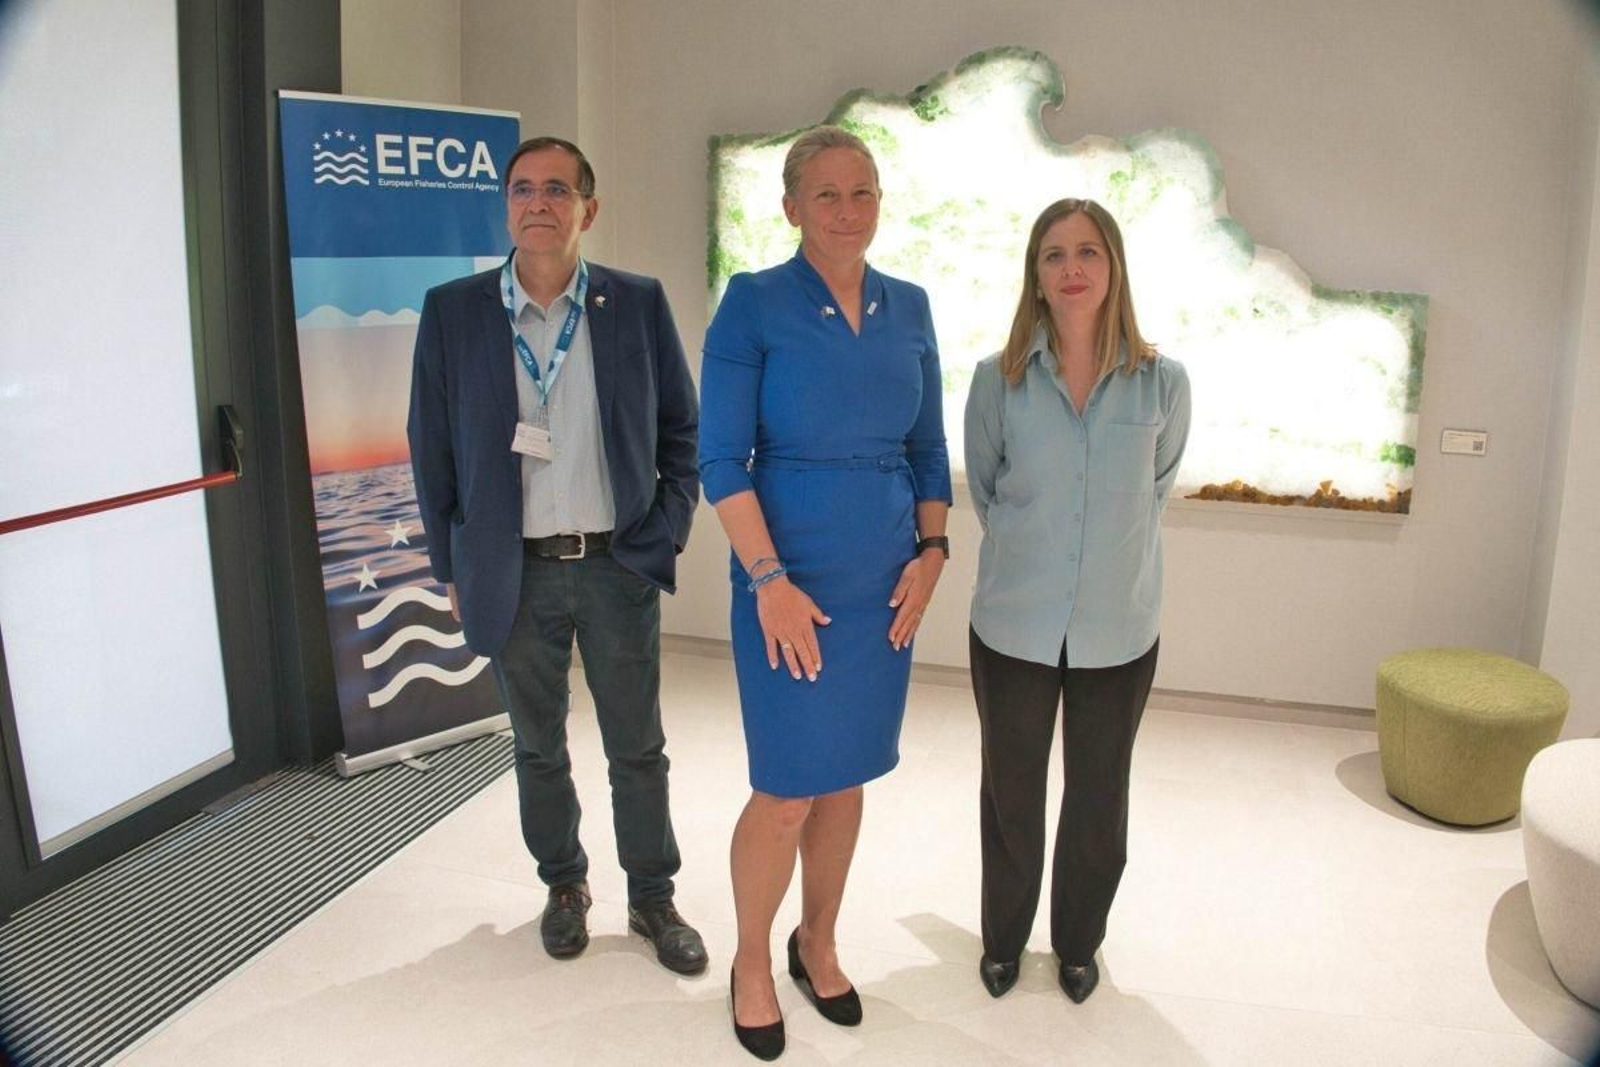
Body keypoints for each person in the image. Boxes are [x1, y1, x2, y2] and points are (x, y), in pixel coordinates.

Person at [407, 136, 706, 976]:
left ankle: (652, 894)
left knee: (636, 745)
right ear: (507, 203)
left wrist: (666, 529)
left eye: (556, 190)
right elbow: (429, 446)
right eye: (522, 189)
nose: (537, 203)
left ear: (588, 208)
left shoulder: (635, 303)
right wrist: (450, 565)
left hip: (617, 564)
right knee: (538, 746)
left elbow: (682, 431)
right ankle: (565, 886)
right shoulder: (454, 310)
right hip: (513, 568)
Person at [699, 126, 952, 1060]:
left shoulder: (911, 305)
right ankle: (753, 959)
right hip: (787, 576)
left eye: (865, 192)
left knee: (846, 774)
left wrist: (933, 552)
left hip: (886, 577)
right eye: (829, 194)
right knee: (785, 790)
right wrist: (766, 579)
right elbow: (721, 459)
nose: (849, 210)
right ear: (791, 207)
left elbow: (928, 448)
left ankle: (820, 939)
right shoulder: (755, 303)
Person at [964, 198, 1190, 1005]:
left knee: (1100, 795)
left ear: (1114, 266)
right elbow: (989, 493)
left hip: (1118, 629)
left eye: (1088, 252)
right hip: (1013, 625)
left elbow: (1155, 487)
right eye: (1054, 254)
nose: (1071, 268)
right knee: (1011, 792)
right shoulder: (1000, 378)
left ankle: (1078, 943)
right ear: (1036, 272)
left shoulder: (1163, 380)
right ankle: (1002, 941)